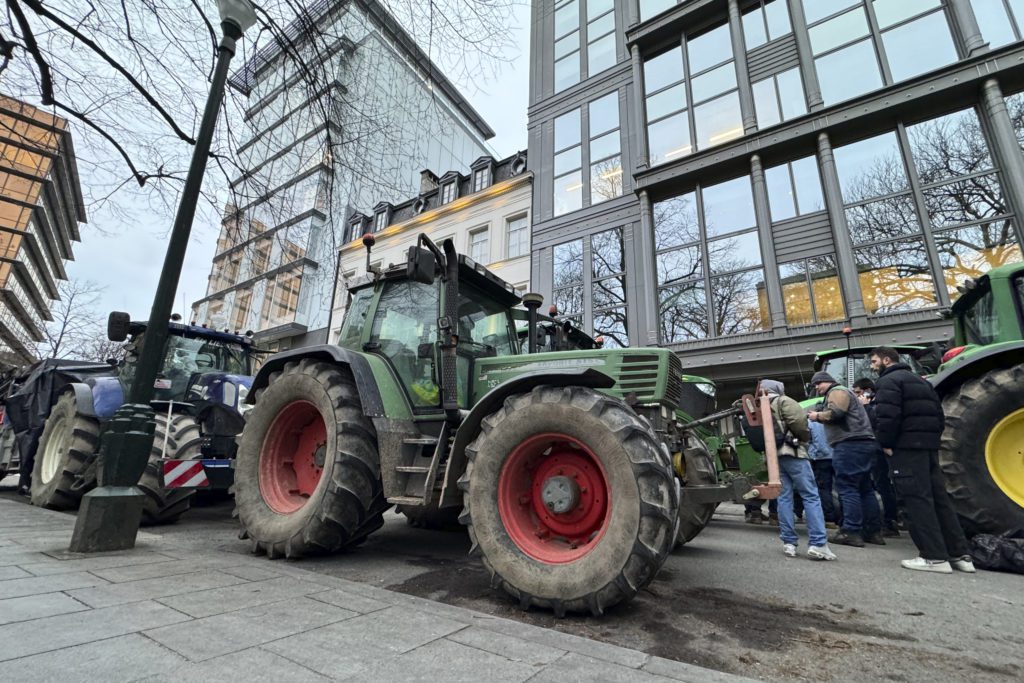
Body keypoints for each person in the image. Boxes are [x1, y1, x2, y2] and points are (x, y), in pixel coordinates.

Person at [869, 347, 975, 574]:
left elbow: (887, 416)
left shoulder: (888, 382)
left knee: (916, 501)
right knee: (939, 500)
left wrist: (885, 443)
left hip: (906, 449)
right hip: (928, 448)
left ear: (887, 360)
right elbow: (939, 415)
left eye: (874, 360)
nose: (872, 365)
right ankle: (959, 554)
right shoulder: (922, 382)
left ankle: (934, 556)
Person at [807, 371, 886, 548]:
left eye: (817, 384)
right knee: (865, 488)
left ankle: (850, 531)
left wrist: (816, 416)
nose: (817, 388)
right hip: (863, 443)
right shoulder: (844, 392)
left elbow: (836, 413)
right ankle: (873, 531)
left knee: (848, 487)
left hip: (849, 444)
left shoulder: (837, 391)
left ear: (826, 381)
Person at [760, 380, 836, 561]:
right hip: (793, 452)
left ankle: (789, 543)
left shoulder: (760, 405)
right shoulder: (783, 401)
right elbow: (799, 422)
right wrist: (805, 438)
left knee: (783, 497)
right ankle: (818, 543)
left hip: (773, 457)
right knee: (810, 495)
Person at [853, 377, 901, 537]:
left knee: (882, 485)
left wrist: (865, 407)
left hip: (878, 450)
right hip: (880, 449)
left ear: (867, 391)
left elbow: (872, 424)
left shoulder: (874, 406)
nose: (857, 396)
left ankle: (889, 521)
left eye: (858, 392)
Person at [807, 418, 839, 529]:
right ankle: (843, 519)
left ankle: (829, 518)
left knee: (824, 489)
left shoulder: (811, 423)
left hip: (820, 458)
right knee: (843, 488)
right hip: (837, 455)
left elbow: (808, 439)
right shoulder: (835, 420)